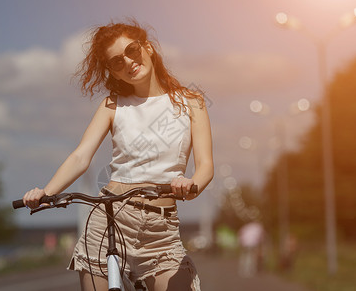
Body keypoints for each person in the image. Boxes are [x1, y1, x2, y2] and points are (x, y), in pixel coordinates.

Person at [22, 19, 214, 291]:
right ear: (112, 71)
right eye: (116, 62)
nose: (128, 62)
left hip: (160, 231)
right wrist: (46, 192)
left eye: (132, 51)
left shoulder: (192, 102)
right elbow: (81, 156)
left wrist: (190, 186)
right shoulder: (112, 105)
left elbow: (205, 166)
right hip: (109, 222)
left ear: (147, 48)